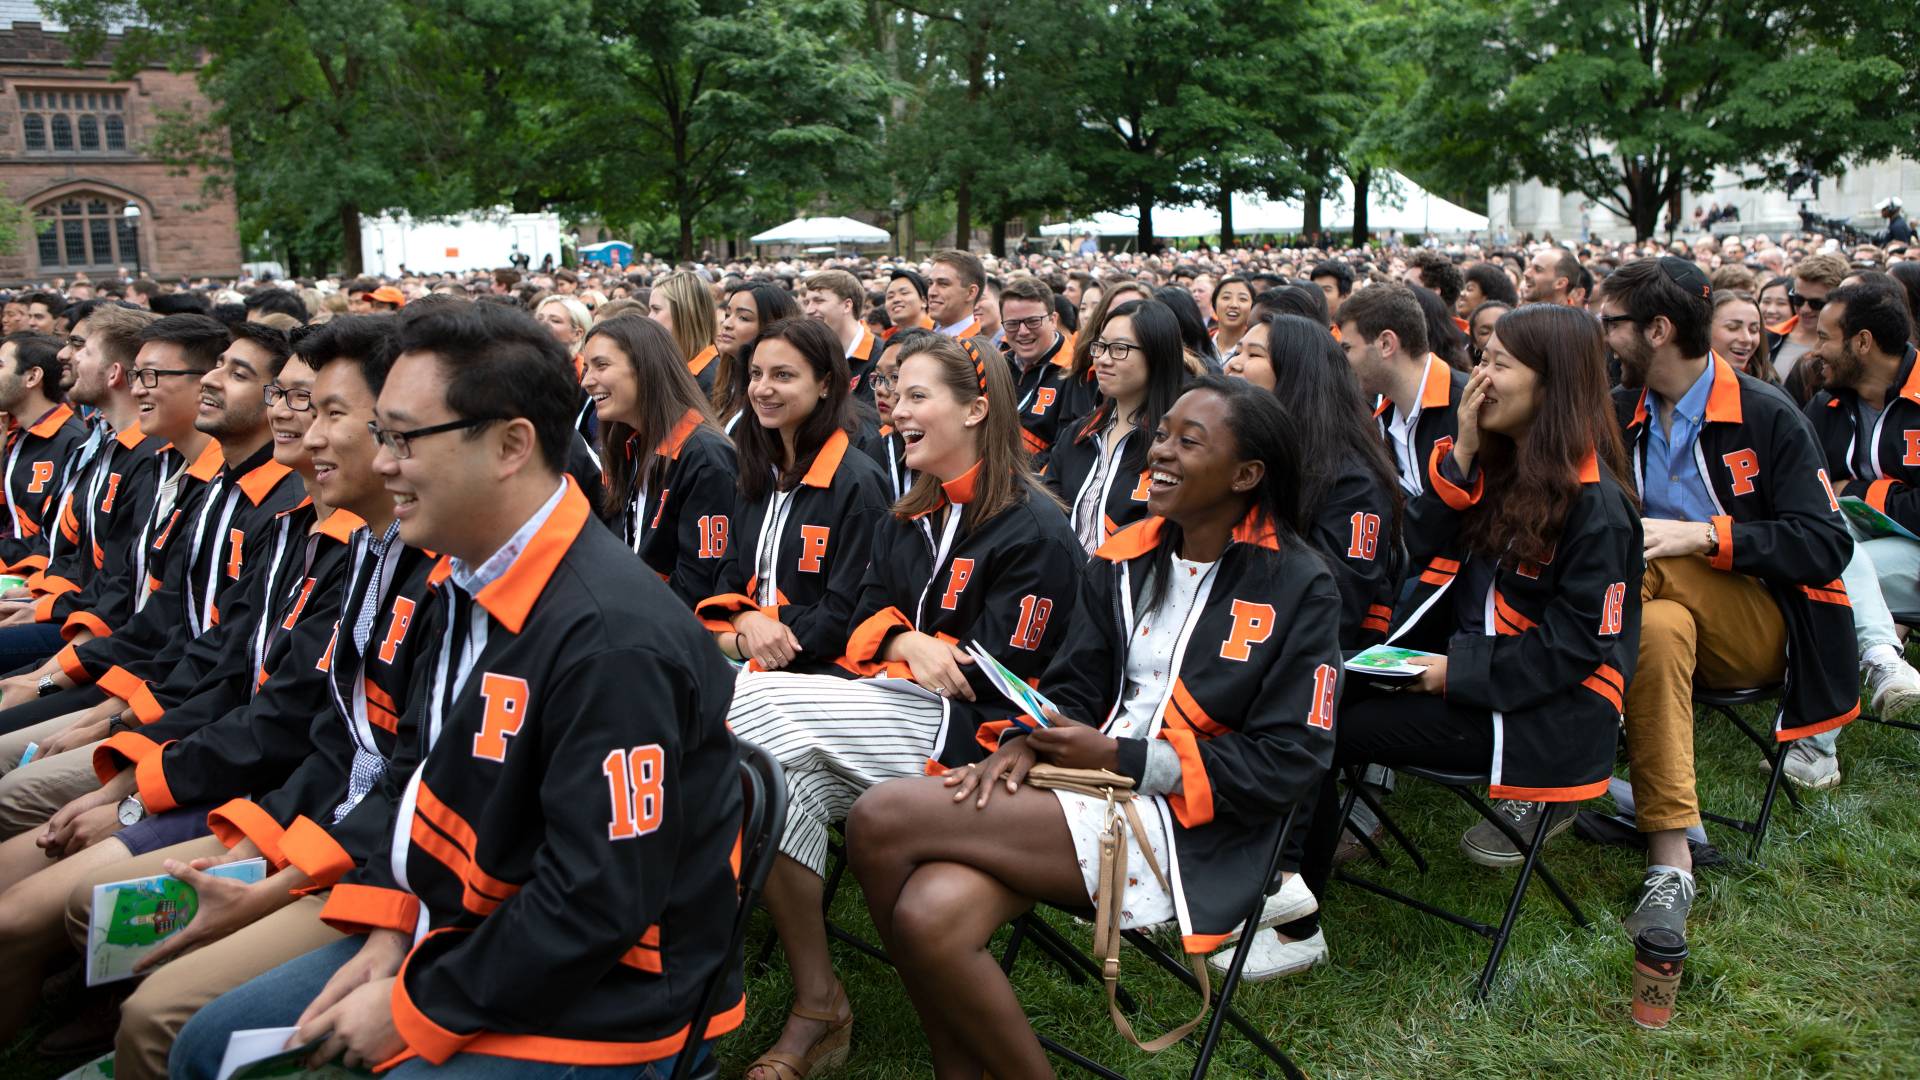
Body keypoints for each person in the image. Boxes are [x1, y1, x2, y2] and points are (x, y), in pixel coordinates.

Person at [171, 301, 744, 1080]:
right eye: (381, 437)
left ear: (511, 445)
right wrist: (388, 931)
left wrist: (419, 1005)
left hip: (609, 1005)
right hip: (469, 933)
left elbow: (599, 904)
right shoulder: (467, 576)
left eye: (403, 439)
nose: (381, 466)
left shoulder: (611, 640)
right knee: (206, 1045)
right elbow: (420, 778)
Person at [845, 377, 1342, 1073]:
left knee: (880, 816)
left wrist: (1123, 758)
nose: (1159, 452)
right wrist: (1027, 740)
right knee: (930, 914)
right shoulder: (1124, 554)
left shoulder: (1299, 584)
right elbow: (1076, 683)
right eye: (1161, 434)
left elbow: (1291, 762)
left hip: (1198, 830)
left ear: (1246, 475)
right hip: (1086, 783)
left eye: (1187, 442)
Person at [726, 333, 1081, 1080]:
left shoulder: (1035, 528)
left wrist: (905, 645)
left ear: (978, 409)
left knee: (746, 706)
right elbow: (863, 618)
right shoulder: (909, 511)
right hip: (892, 702)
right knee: (770, 777)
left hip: (976, 745)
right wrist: (903, 643)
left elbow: (990, 678)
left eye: (918, 394)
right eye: (893, 391)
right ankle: (819, 1004)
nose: (894, 407)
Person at [1297, 303, 1643, 965]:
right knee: (1311, 696)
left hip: (1541, 712)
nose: (1478, 379)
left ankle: (1294, 910)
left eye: (1499, 365)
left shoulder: (1597, 505)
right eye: (1480, 359)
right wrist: (1458, 451)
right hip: (1464, 674)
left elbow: (1575, 650)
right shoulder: (1500, 463)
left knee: (1324, 724)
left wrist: (1451, 672)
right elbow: (1413, 549)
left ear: (1554, 385)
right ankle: (1285, 888)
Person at [1601, 256, 1855, 938]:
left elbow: (1826, 545)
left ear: (1656, 330)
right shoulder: (1620, 409)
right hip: (1659, 616)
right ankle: (1672, 855)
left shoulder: (1766, 412)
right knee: (1654, 626)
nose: (1604, 338)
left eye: (1612, 325)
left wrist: (1704, 538)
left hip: (1767, 628)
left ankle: (1554, 756)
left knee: (1628, 559)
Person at [694, 317, 891, 674]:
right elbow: (727, 578)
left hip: (822, 676)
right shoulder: (757, 469)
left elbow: (844, 615)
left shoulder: (858, 484)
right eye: (756, 374)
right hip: (750, 661)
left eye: (783, 376)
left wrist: (749, 631)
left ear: (826, 384)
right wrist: (746, 626)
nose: (763, 389)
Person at [1801, 277, 1920, 752]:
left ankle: (1815, 746)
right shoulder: (1825, 401)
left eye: (1826, 337)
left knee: (1830, 574)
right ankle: (1884, 660)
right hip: (1857, 549)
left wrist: (1863, 491)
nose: (1815, 349)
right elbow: (1802, 492)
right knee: (1825, 543)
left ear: (1863, 342)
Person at [582, 315, 738, 609]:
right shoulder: (629, 444)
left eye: (601, 366)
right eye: (587, 367)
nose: (587, 380)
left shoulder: (705, 457)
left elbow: (701, 588)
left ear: (645, 368)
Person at [1045, 299, 1189, 553]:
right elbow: (1047, 514)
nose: (1103, 360)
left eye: (1119, 349)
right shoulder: (1079, 435)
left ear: (1157, 355)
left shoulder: (1178, 446)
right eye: (1100, 347)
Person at [1339, 283, 1466, 539]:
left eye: (1347, 349)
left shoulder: (1468, 405)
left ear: (1386, 343)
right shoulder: (1377, 415)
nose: (1342, 361)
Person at [0, 334, 88, 572]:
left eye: (1, 365)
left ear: (32, 377)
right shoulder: (17, 436)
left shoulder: (73, 441)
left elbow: (57, 538)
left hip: (36, 577)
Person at [996, 276, 1087, 469]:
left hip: (1034, 489)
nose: (1023, 331)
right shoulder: (996, 365)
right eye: (1012, 324)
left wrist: (1017, 480)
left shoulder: (1076, 373)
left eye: (1032, 321)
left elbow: (1067, 450)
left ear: (1053, 320)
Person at [861, 327, 935, 502]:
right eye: (878, 376)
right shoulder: (875, 451)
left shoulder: (947, 454)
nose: (880, 390)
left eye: (895, 377)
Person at [715, 283, 801, 430]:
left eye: (743, 318)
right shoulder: (725, 379)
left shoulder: (775, 402)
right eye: (727, 315)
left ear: (773, 326)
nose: (727, 324)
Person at [1767, 252, 1849, 402]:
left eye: (1816, 303)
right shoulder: (1770, 337)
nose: (1804, 309)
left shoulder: (1851, 347)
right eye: (1798, 299)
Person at [801, 269, 883, 401]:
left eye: (819, 301)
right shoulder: (805, 351)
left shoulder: (880, 357)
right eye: (806, 303)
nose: (809, 310)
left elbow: (871, 417)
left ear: (847, 305)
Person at [648, 271, 722, 394]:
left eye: (656, 310)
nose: (649, 317)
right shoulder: (670, 364)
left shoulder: (713, 379)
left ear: (684, 314)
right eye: (650, 309)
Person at [1712, 290, 1774, 384]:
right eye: (1733, 327)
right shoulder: (1685, 382)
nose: (1747, 339)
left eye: (1754, 329)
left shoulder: (1771, 394)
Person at [927, 249, 987, 338]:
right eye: (930, 283)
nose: (931, 292)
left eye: (943, 284)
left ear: (971, 292)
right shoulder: (921, 339)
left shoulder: (978, 350)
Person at [533, 295, 591, 360]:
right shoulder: (523, 361)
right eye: (539, 319)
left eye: (555, 320)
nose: (542, 324)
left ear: (577, 334)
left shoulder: (585, 369)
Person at [1210, 275, 1255, 360]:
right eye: (1226, 297)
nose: (1233, 305)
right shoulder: (1198, 345)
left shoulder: (1257, 352)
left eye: (1243, 299)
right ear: (1214, 304)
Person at [883, 269, 933, 340]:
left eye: (904, 293)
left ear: (924, 301)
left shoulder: (942, 334)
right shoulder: (884, 339)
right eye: (890, 297)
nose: (896, 300)